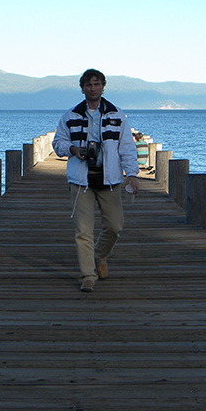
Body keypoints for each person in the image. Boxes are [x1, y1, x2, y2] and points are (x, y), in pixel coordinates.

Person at [53, 69, 139, 292]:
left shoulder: (117, 116)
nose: (93, 88)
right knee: (83, 230)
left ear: (103, 86)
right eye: (88, 85)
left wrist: (131, 174)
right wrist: (73, 149)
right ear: (82, 88)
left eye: (96, 84)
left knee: (115, 226)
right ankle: (88, 275)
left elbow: (127, 148)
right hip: (81, 180)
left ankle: (99, 256)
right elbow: (58, 143)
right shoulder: (70, 116)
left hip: (109, 179)